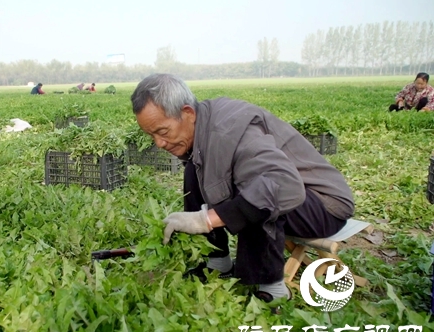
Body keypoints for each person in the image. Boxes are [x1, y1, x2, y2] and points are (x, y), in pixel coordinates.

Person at [131, 74, 355, 302]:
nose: (159, 143)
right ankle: (218, 263)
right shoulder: (203, 125)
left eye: (163, 131)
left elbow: (281, 184)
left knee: (254, 188)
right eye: (151, 135)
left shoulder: (228, 130)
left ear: (187, 113)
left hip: (324, 205)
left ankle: (273, 289)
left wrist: (205, 220)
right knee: (195, 166)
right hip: (296, 195)